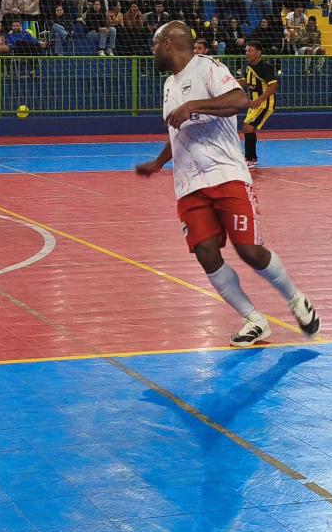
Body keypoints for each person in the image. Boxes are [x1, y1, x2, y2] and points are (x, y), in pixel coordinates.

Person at [134, 22, 319, 347]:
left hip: (225, 175)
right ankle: (254, 320)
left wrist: (193, 105)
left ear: (167, 44)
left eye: (154, 46)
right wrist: (160, 162)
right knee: (205, 253)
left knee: (249, 250)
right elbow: (177, 131)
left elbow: (240, 100)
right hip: (189, 185)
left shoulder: (207, 67)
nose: (152, 53)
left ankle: (296, 298)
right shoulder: (168, 85)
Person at [240, 41, 279, 168]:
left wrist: (260, 99)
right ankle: (251, 158)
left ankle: (250, 159)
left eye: (250, 51)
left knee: (248, 127)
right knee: (247, 128)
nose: (247, 53)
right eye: (246, 51)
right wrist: (231, 82)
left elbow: (273, 85)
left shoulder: (265, 67)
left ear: (258, 53)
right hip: (255, 103)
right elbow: (247, 82)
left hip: (265, 103)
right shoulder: (249, 67)